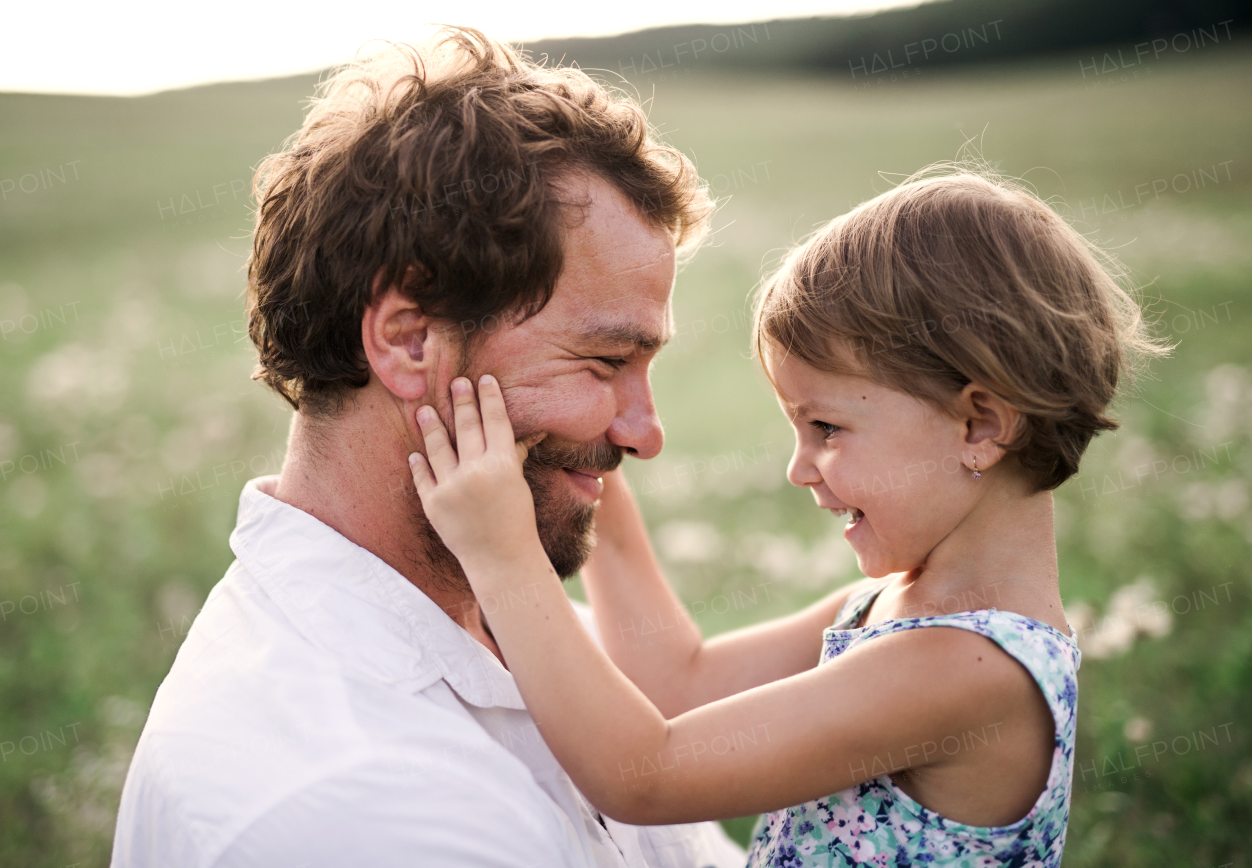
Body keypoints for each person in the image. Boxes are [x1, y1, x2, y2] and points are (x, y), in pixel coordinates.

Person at [110, 27, 746, 868]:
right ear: (409, 343)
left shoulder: (528, 626)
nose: (645, 432)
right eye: (604, 361)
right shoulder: (350, 805)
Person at [407, 167, 1168, 866]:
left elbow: (646, 775)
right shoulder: (891, 609)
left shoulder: (966, 672)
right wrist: (595, 462)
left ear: (980, 426)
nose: (799, 468)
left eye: (827, 429)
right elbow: (679, 684)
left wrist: (504, 555)